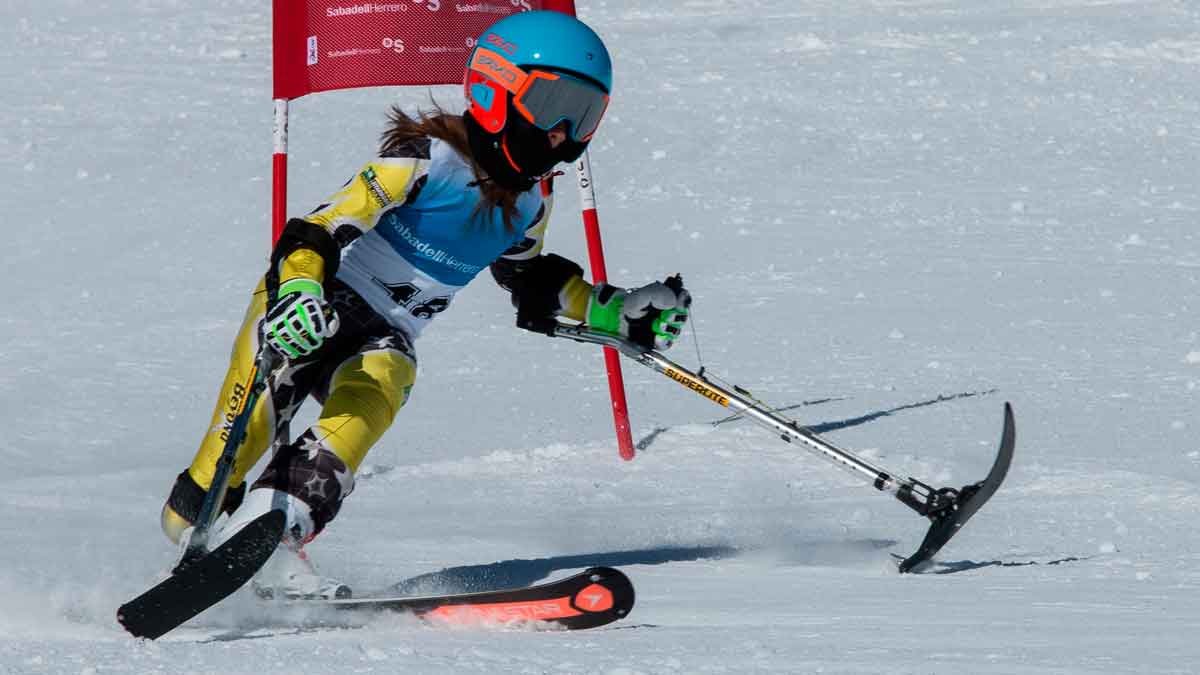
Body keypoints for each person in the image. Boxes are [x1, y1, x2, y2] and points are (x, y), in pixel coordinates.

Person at [158, 10, 691, 597]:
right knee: (202, 495)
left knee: (386, 378)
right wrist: (300, 290)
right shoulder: (426, 158)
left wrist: (615, 312)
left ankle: (276, 531)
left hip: (387, 331)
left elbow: (528, 277)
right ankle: (200, 531)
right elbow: (317, 228)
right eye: (551, 104)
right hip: (315, 305)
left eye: (584, 113)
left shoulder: (532, 202)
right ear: (497, 87)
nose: (562, 131)